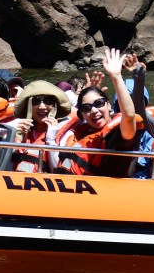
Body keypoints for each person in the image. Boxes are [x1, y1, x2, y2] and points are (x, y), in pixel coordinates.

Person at [55, 48, 142, 177]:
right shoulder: (80, 133)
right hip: (68, 184)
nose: (94, 110)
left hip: (104, 187)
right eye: (87, 108)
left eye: (99, 103)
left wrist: (116, 77)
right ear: (82, 113)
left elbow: (129, 115)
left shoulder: (119, 135)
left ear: (108, 104)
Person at [9, 80, 72, 173]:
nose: (42, 106)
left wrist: (50, 140)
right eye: (36, 101)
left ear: (55, 106)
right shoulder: (19, 129)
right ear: (29, 106)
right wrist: (12, 132)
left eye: (48, 101)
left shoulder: (65, 134)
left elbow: (58, 171)